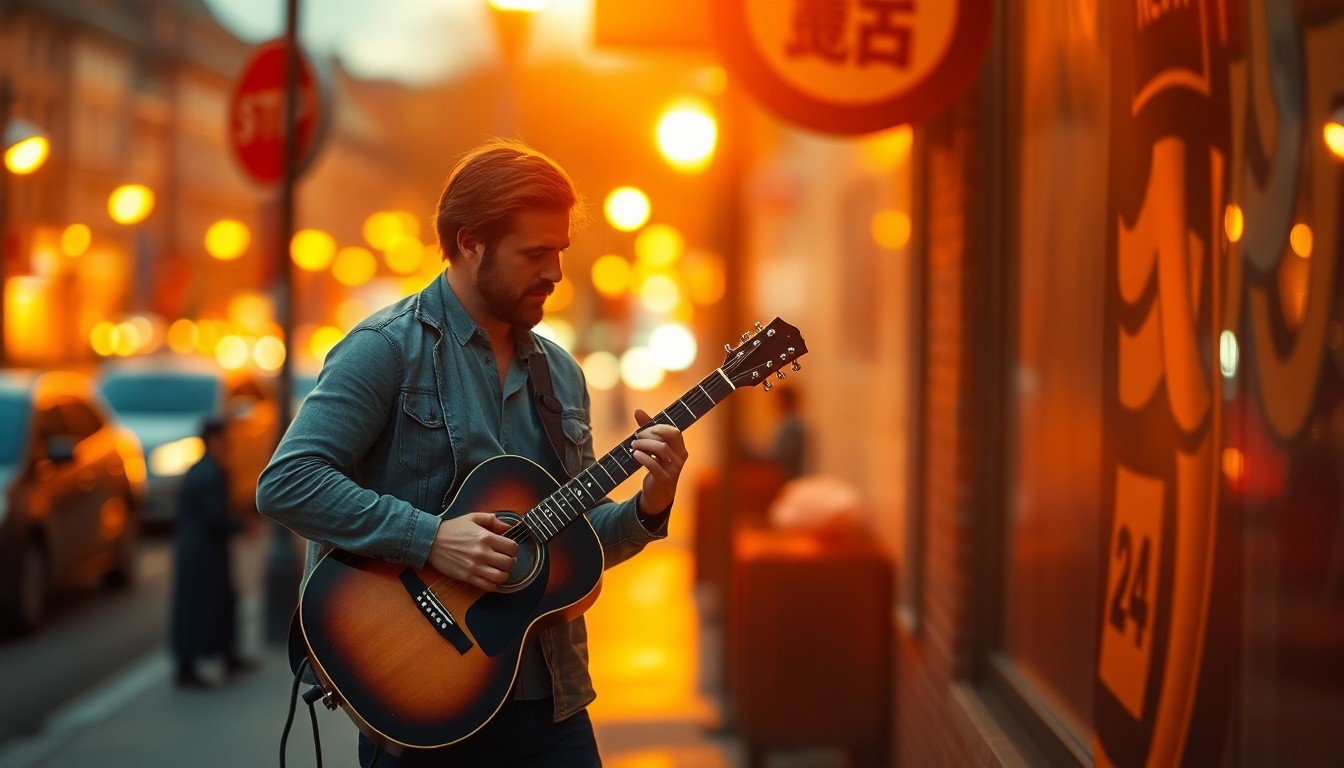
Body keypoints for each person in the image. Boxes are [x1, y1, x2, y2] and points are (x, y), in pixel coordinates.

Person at [256, 138, 688, 767]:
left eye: (560, 252)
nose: (556, 273)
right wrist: (430, 538)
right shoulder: (386, 349)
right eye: (535, 254)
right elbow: (287, 482)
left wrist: (651, 505)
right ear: (468, 242)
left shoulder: (561, 376)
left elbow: (570, 546)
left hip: (551, 701)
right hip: (420, 699)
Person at [169, 417, 250, 689]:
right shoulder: (212, 473)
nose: (229, 445)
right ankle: (189, 666)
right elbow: (214, 515)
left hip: (196, 548)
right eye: (225, 439)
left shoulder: (200, 469)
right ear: (213, 440)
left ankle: (225, 655)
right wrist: (242, 526)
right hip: (205, 552)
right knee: (202, 606)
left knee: (212, 603)